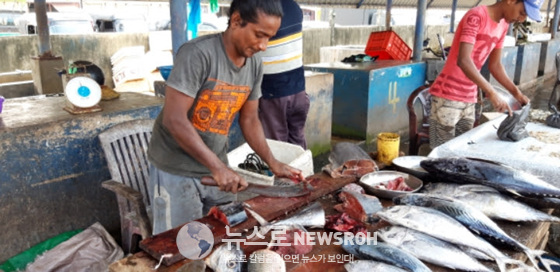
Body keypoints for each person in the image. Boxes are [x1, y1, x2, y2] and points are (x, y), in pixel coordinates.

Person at [147, 0, 304, 235]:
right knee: (178, 246)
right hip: (175, 170)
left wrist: (273, 163)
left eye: (269, 38)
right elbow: (174, 119)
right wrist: (218, 167)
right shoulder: (198, 54)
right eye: (259, 35)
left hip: (215, 167)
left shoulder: (255, 64)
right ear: (236, 20)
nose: (263, 46)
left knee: (216, 238)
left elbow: (250, 119)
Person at [428, 0, 542, 149]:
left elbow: (495, 65)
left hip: (469, 98)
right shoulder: (476, 16)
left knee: (461, 151)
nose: (521, 19)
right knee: (440, 153)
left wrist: (517, 94)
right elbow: (463, 60)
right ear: (511, 1)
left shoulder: (503, 26)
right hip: (447, 97)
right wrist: (491, 92)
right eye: (522, 12)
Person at [258, 0, 309, 149]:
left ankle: (283, 173)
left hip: (273, 92)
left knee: (277, 145)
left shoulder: (260, 8)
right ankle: (302, 171)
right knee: (298, 140)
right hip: (299, 91)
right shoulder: (294, 7)